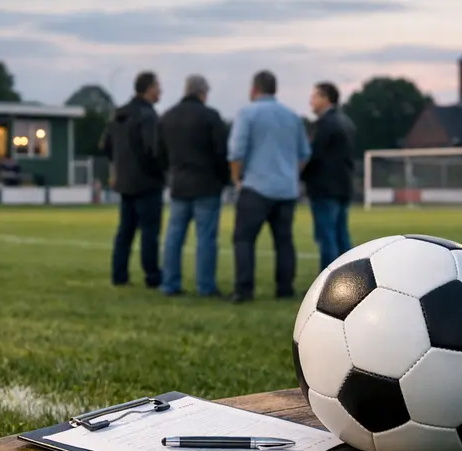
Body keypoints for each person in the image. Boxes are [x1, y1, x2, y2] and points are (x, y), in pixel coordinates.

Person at [227, 70, 311, 303]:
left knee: (244, 239)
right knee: (284, 241)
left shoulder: (247, 113)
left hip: (256, 187)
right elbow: (304, 153)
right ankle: (284, 288)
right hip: (286, 189)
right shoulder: (292, 116)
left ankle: (244, 289)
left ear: (254, 89)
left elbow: (236, 151)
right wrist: (291, 175)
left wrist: (237, 179)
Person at [157, 75, 230, 297]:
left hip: (179, 184)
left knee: (173, 237)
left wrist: (171, 172)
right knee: (206, 238)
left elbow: (159, 153)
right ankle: (205, 286)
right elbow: (221, 152)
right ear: (202, 92)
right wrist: (223, 178)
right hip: (207, 184)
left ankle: (170, 283)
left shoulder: (167, 116)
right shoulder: (210, 117)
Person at [100, 71, 166, 288]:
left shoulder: (119, 114)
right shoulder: (148, 116)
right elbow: (153, 149)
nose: (161, 91)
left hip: (124, 180)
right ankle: (152, 275)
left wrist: (118, 165)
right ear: (149, 88)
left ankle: (119, 274)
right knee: (149, 232)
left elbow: (105, 145)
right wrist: (159, 171)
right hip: (146, 182)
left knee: (125, 231)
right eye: (158, 87)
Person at [302, 81, 357, 271]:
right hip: (344, 186)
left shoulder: (325, 124)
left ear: (325, 98)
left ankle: (329, 284)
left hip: (324, 188)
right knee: (342, 236)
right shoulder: (346, 121)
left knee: (327, 237)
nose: (311, 101)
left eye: (315, 96)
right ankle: (350, 278)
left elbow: (313, 156)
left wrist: (300, 174)